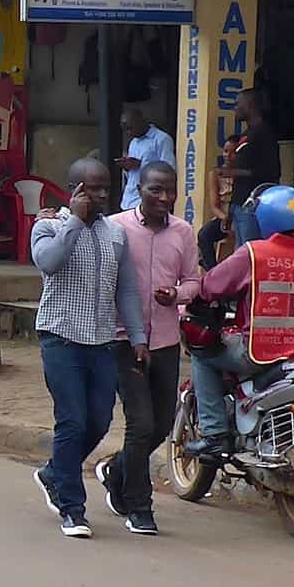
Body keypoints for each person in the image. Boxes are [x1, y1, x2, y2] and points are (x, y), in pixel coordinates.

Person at [29, 157, 148, 539]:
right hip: (61, 338)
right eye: (93, 188)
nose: (101, 195)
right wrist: (75, 222)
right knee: (72, 421)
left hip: (101, 343)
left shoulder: (116, 234)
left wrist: (138, 338)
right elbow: (49, 263)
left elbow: (125, 290)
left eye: (105, 188)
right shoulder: (48, 227)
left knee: (99, 421)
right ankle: (72, 508)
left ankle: (54, 473)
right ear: (74, 189)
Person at [185, 184, 294, 457]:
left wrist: (193, 294)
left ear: (265, 219)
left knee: (202, 356)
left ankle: (214, 434)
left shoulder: (254, 253)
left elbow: (210, 286)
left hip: (259, 353)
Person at [96, 161, 198, 536]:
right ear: (139, 189)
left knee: (162, 423)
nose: (165, 198)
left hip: (166, 341)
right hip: (124, 340)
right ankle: (139, 507)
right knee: (140, 424)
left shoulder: (183, 232)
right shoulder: (115, 227)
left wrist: (177, 294)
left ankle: (116, 470)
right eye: (156, 190)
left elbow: (193, 280)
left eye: (171, 190)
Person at [229, 91, 282, 244]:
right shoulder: (247, 133)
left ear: (250, 105)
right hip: (239, 204)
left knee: (251, 252)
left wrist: (234, 172)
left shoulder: (264, 133)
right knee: (241, 253)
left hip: (253, 206)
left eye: (238, 104)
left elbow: (271, 172)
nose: (235, 108)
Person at [117, 102, 176, 208]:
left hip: (148, 201)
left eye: (130, 128)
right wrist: (127, 167)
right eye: (124, 129)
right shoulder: (133, 142)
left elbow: (169, 170)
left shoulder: (161, 139)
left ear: (140, 121)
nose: (128, 133)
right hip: (129, 198)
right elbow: (132, 175)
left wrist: (141, 165)